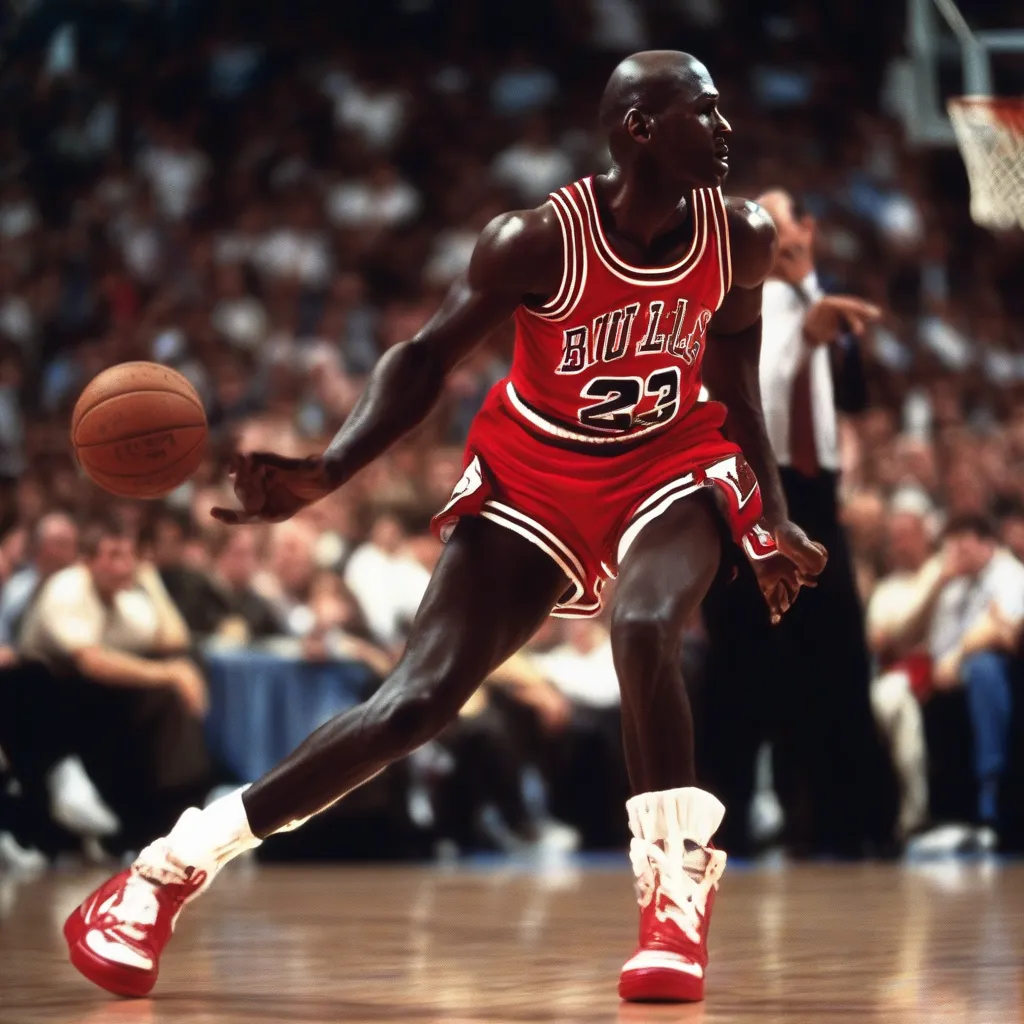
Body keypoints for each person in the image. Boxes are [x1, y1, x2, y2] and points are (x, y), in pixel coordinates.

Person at [65, 51, 827, 1006]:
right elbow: (424, 357)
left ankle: (675, 896)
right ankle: (168, 868)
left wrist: (773, 518)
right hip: (536, 469)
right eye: (703, 111)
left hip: (669, 462)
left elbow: (737, 375)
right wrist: (332, 468)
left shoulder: (741, 235)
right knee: (413, 705)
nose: (725, 128)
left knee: (642, 627)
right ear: (639, 128)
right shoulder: (537, 240)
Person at [700, 188, 897, 858]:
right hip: (754, 492)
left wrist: (829, 333)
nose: (766, 236)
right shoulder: (734, 303)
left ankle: (850, 824)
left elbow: (855, 399)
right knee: (743, 664)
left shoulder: (826, 300)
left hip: (818, 493)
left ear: (805, 229)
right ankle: (722, 828)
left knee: (838, 659)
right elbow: (751, 402)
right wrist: (807, 335)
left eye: (777, 223)